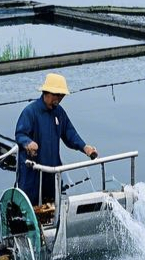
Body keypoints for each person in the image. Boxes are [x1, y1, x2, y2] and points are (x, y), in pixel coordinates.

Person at [15, 73, 97, 205]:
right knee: (32, 206)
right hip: (33, 174)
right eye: (56, 95)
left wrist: (84, 147)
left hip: (53, 172)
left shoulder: (59, 112)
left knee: (52, 206)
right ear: (46, 92)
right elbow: (20, 134)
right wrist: (28, 143)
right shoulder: (30, 112)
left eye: (61, 96)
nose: (58, 99)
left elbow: (70, 134)